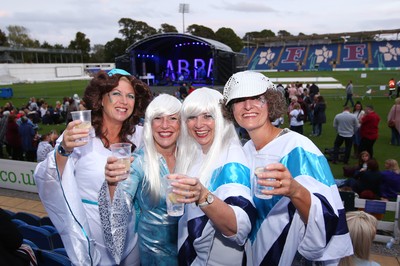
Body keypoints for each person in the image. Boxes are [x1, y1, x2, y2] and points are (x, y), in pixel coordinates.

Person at [222, 71, 352, 265]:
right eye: (239, 100)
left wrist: (295, 190)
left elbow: (328, 218)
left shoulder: (299, 149)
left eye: (257, 98)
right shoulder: (244, 151)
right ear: (231, 109)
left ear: (271, 103)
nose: (248, 106)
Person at [34, 69, 152, 265]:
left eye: (130, 96)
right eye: (116, 93)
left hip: (131, 239)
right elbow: (47, 178)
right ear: (101, 99)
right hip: (93, 241)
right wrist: (63, 150)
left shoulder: (140, 136)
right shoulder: (80, 134)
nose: (124, 101)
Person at [173, 88, 256, 265]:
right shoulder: (198, 152)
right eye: (192, 117)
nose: (198, 124)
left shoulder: (231, 158)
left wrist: (203, 196)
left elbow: (239, 225)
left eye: (207, 116)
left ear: (222, 119)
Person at [99, 94, 182, 265]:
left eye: (173, 118)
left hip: (191, 254)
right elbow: (118, 211)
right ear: (149, 125)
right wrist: (113, 183)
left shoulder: (191, 158)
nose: (165, 125)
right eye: (157, 118)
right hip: (156, 259)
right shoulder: (138, 162)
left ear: (182, 124)